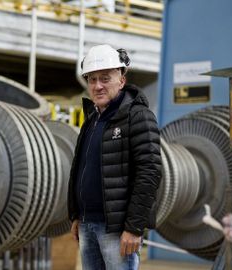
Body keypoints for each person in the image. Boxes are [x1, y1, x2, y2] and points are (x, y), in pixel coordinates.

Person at [67, 44, 161, 270]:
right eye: (92, 79)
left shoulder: (138, 116)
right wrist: (77, 214)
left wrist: (134, 227)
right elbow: (81, 168)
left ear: (121, 80)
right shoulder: (91, 118)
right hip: (88, 225)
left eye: (105, 78)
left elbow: (149, 172)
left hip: (117, 230)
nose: (97, 85)